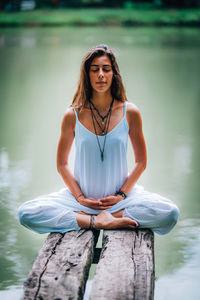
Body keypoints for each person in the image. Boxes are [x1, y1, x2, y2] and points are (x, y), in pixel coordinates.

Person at [18, 44, 179, 235]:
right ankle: (96, 221)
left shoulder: (131, 112)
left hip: (121, 200)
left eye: (106, 69)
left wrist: (122, 195)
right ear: (87, 75)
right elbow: (62, 164)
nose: (101, 74)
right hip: (82, 200)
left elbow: (141, 162)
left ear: (114, 74)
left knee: (170, 212)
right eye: (94, 70)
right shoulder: (73, 114)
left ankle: (112, 217)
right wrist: (79, 197)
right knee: (26, 213)